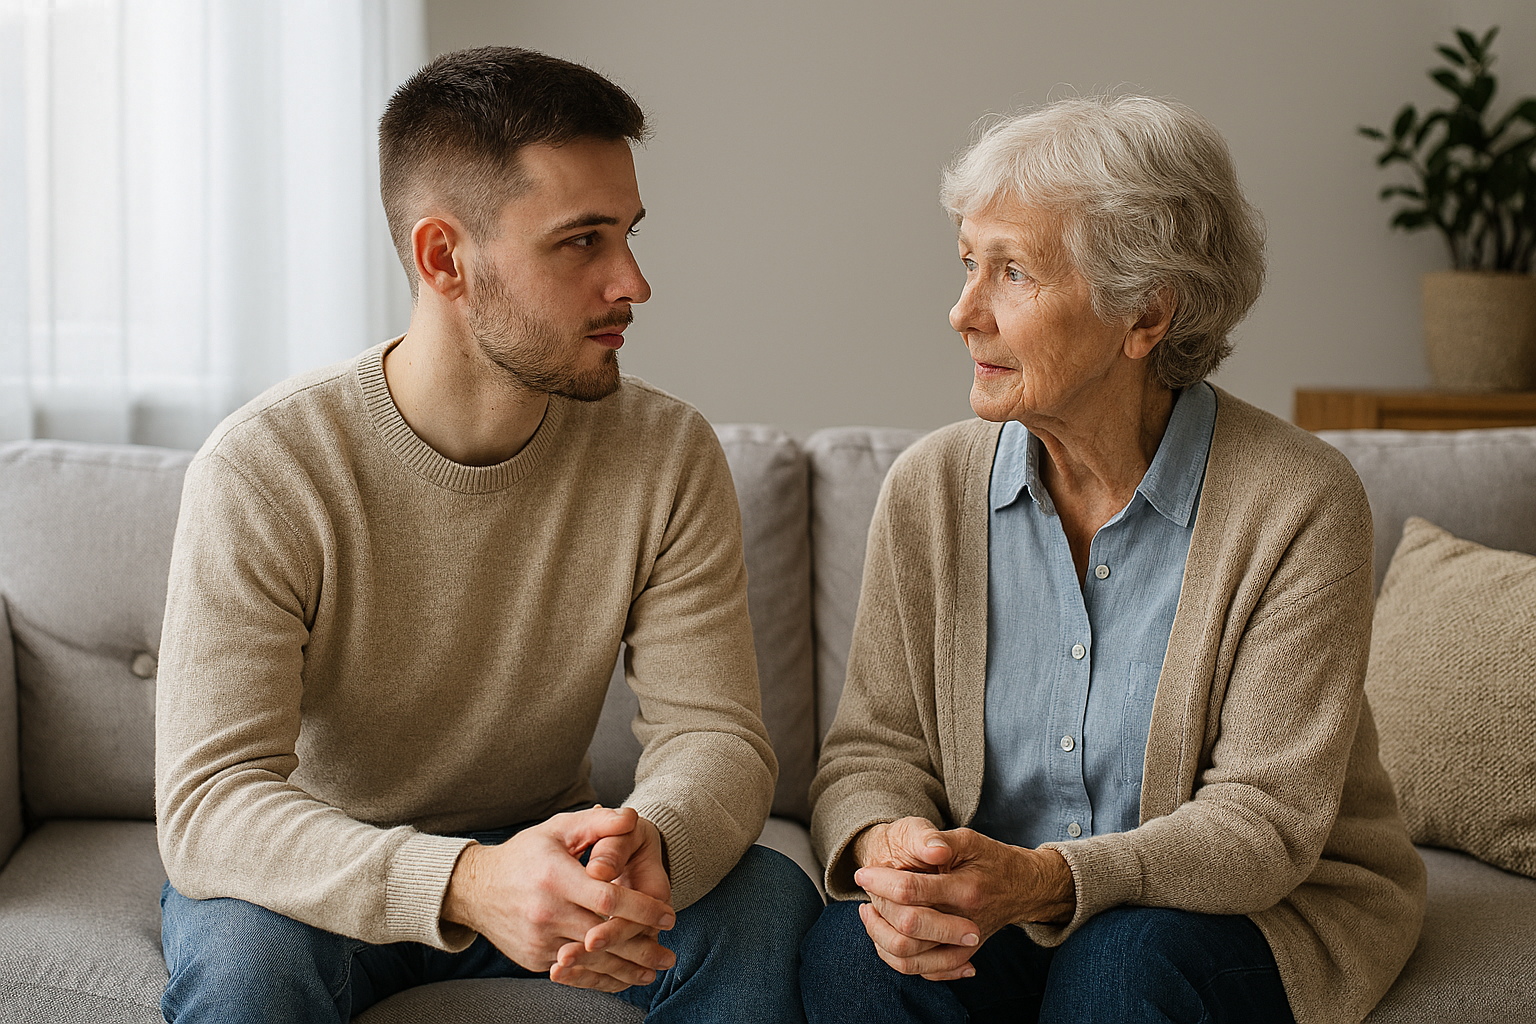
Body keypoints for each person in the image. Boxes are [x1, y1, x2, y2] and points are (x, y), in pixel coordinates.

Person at [155, 46, 820, 1024]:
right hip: (327, 869)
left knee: (764, 900)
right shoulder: (268, 465)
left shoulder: (666, 453)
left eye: (628, 235)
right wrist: (468, 881)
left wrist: (650, 843)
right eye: (581, 242)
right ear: (443, 258)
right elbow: (212, 803)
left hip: (555, 853)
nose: (633, 282)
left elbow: (714, 735)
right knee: (244, 969)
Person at [800, 96, 1425, 1024]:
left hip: (1247, 907)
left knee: (1120, 969)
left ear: (1145, 314)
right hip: (1000, 905)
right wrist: (893, 849)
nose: (963, 312)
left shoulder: (1297, 502)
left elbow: (1262, 822)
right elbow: (874, 749)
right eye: (968, 263)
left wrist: (1046, 880)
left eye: (1013, 272)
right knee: (855, 959)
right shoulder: (930, 489)